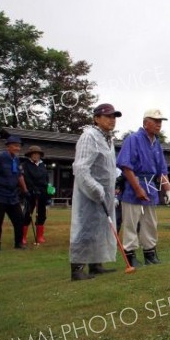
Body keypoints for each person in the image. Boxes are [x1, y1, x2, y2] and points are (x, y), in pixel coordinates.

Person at [69, 103, 121, 281]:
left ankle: (96, 265)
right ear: (96, 118)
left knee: (101, 228)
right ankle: (77, 268)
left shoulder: (108, 138)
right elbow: (81, 168)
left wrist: (110, 191)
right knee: (85, 228)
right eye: (108, 116)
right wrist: (95, 188)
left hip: (105, 193)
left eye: (114, 117)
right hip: (89, 192)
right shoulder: (89, 136)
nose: (112, 120)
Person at [116, 108, 170, 267]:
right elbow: (126, 166)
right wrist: (137, 189)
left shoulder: (157, 144)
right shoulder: (132, 139)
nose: (159, 124)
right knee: (131, 222)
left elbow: (162, 169)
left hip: (151, 186)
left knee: (150, 222)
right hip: (134, 184)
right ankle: (130, 255)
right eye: (155, 121)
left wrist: (168, 190)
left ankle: (150, 253)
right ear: (145, 122)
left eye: (160, 121)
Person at [0, 136, 29, 250]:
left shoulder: (16, 159)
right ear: (8, 146)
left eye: (19, 146)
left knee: (19, 219)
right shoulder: (0, 157)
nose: (17, 148)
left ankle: (18, 243)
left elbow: (19, 175)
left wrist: (25, 190)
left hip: (12, 195)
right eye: (15, 146)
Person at [21, 145, 49, 244]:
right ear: (30, 155)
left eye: (38, 154)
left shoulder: (43, 165)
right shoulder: (25, 165)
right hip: (30, 193)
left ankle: (40, 236)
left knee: (41, 215)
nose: (36, 156)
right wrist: (32, 189)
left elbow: (46, 179)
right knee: (27, 214)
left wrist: (47, 190)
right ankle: (22, 237)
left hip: (42, 193)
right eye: (34, 154)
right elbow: (26, 178)